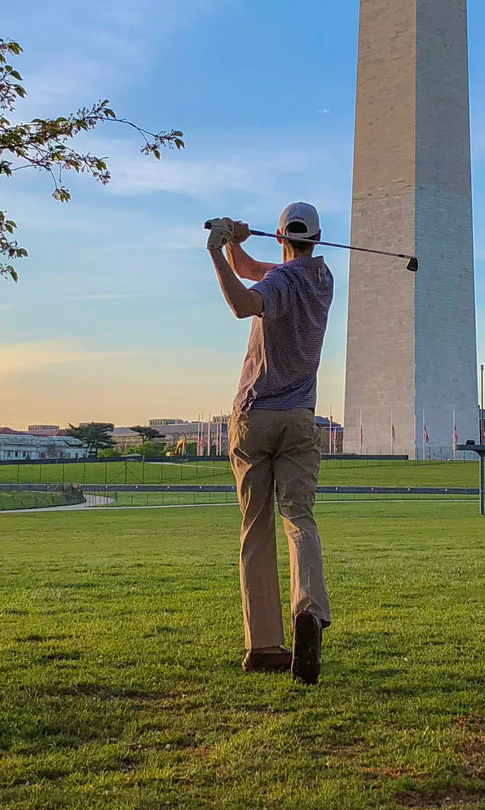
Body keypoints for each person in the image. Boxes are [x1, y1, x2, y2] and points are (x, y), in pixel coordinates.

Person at [205, 203, 334, 684]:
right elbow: (255, 270)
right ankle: (309, 610)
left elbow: (242, 302)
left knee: (256, 528)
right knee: (299, 518)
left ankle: (262, 645)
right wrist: (237, 243)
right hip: (300, 418)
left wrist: (216, 250)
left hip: (256, 414)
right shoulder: (321, 280)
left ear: (280, 235)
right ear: (317, 239)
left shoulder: (280, 283)